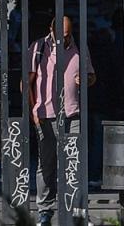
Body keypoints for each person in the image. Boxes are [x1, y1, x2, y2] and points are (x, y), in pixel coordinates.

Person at [29, 15, 94, 226]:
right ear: (51, 29)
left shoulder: (79, 48)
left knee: (74, 164)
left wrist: (86, 80)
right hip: (45, 115)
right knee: (46, 164)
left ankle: (77, 211)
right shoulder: (39, 47)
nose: (64, 40)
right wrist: (33, 111)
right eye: (61, 35)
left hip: (72, 113)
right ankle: (45, 211)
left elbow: (92, 76)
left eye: (67, 35)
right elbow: (26, 81)